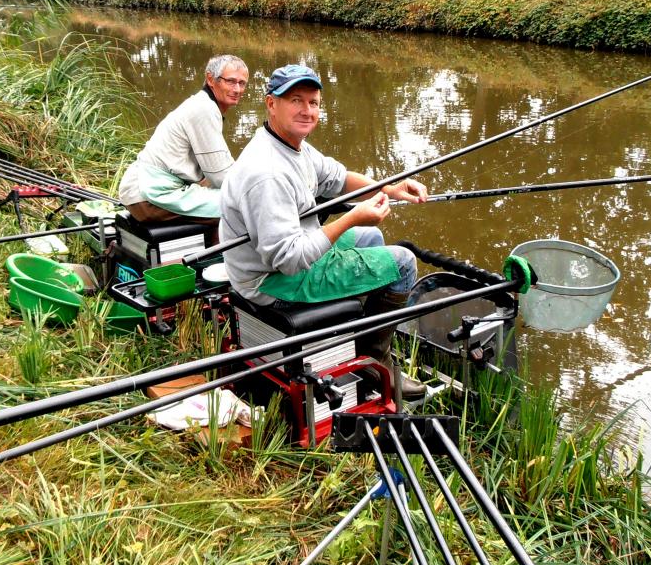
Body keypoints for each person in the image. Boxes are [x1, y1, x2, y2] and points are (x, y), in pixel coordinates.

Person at [219, 63, 428, 396]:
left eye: (313, 102)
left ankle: (351, 330)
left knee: (371, 239)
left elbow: (338, 178)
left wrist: (391, 187)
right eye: (296, 100)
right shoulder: (267, 173)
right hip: (271, 281)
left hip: (286, 254)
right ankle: (376, 363)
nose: (307, 110)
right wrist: (351, 218)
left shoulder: (290, 144)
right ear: (271, 104)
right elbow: (288, 259)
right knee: (403, 263)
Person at [117, 55, 249, 222]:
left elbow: (218, 167)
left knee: (230, 192)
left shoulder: (204, 105)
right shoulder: (204, 109)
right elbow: (221, 175)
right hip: (148, 195)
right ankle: (220, 249)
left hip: (147, 188)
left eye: (242, 83)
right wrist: (255, 191)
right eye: (230, 81)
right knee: (236, 206)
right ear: (210, 79)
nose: (237, 89)